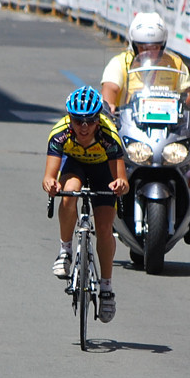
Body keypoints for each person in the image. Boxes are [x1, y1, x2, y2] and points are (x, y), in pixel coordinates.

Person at [42, 86, 130, 323]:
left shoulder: (109, 136)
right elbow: (49, 176)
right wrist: (51, 183)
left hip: (103, 169)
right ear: (69, 118)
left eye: (90, 121)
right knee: (69, 192)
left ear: (98, 119)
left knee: (104, 227)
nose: (83, 127)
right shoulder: (60, 133)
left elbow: (122, 181)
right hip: (75, 165)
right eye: (78, 120)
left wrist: (120, 185)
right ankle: (65, 251)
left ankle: (106, 288)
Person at [101, 12, 190, 114]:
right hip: (128, 121)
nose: (149, 53)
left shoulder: (175, 64)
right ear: (135, 46)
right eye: (143, 48)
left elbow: (189, 95)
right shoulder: (120, 63)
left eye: (155, 47)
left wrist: (182, 101)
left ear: (162, 46)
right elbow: (110, 88)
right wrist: (109, 105)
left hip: (167, 119)